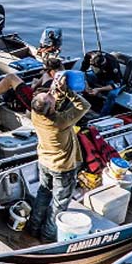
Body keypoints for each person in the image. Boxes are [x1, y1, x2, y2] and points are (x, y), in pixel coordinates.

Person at [26, 73, 92, 242]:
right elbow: (84, 105)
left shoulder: (36, 113)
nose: (49, 92)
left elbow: (50, 106)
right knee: (59, 205)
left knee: (43, 194)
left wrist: (56, 93)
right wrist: (68, 92)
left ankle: (33, 228)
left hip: (45, 162)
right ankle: (47, 237)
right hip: (63, 168)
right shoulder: (60, 121)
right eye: (48, 95)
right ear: (52, 108)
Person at [0, 56, 64, 110]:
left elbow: (34, 87)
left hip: (37, 103)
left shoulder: (48, 75)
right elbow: (35, 86)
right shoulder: (58, 76)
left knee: (11, 78)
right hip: (44, 100)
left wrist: (33, 86)